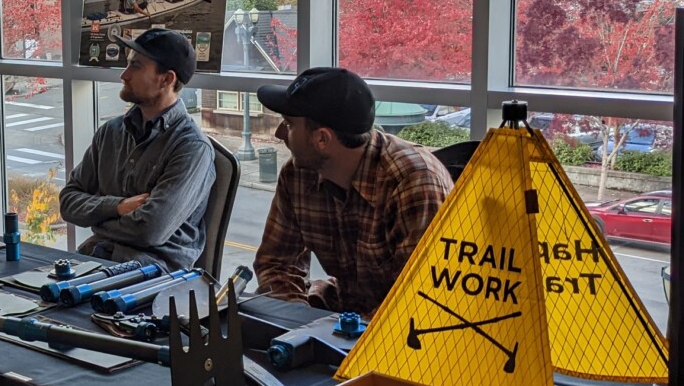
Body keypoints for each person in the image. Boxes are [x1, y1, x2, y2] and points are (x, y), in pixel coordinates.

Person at [253, 67, 452, 316]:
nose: (279, 133)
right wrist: (299, 327)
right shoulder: (297, 175)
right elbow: (276, 264)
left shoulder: (413, 183)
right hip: (346, 311)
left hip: (405, 333)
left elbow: (421, 298)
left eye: (289, 124)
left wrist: (342, 342)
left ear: (322, 139)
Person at [59, 28, 215, 271]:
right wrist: (118, 206)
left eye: (136, 66)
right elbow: (68, 202)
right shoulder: (111, 132)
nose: (124, 75)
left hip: (151, 278)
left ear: (166, 79)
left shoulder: (191, 148)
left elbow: (149, 232)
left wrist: (98, 220)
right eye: (127, 64)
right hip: (95, 260)